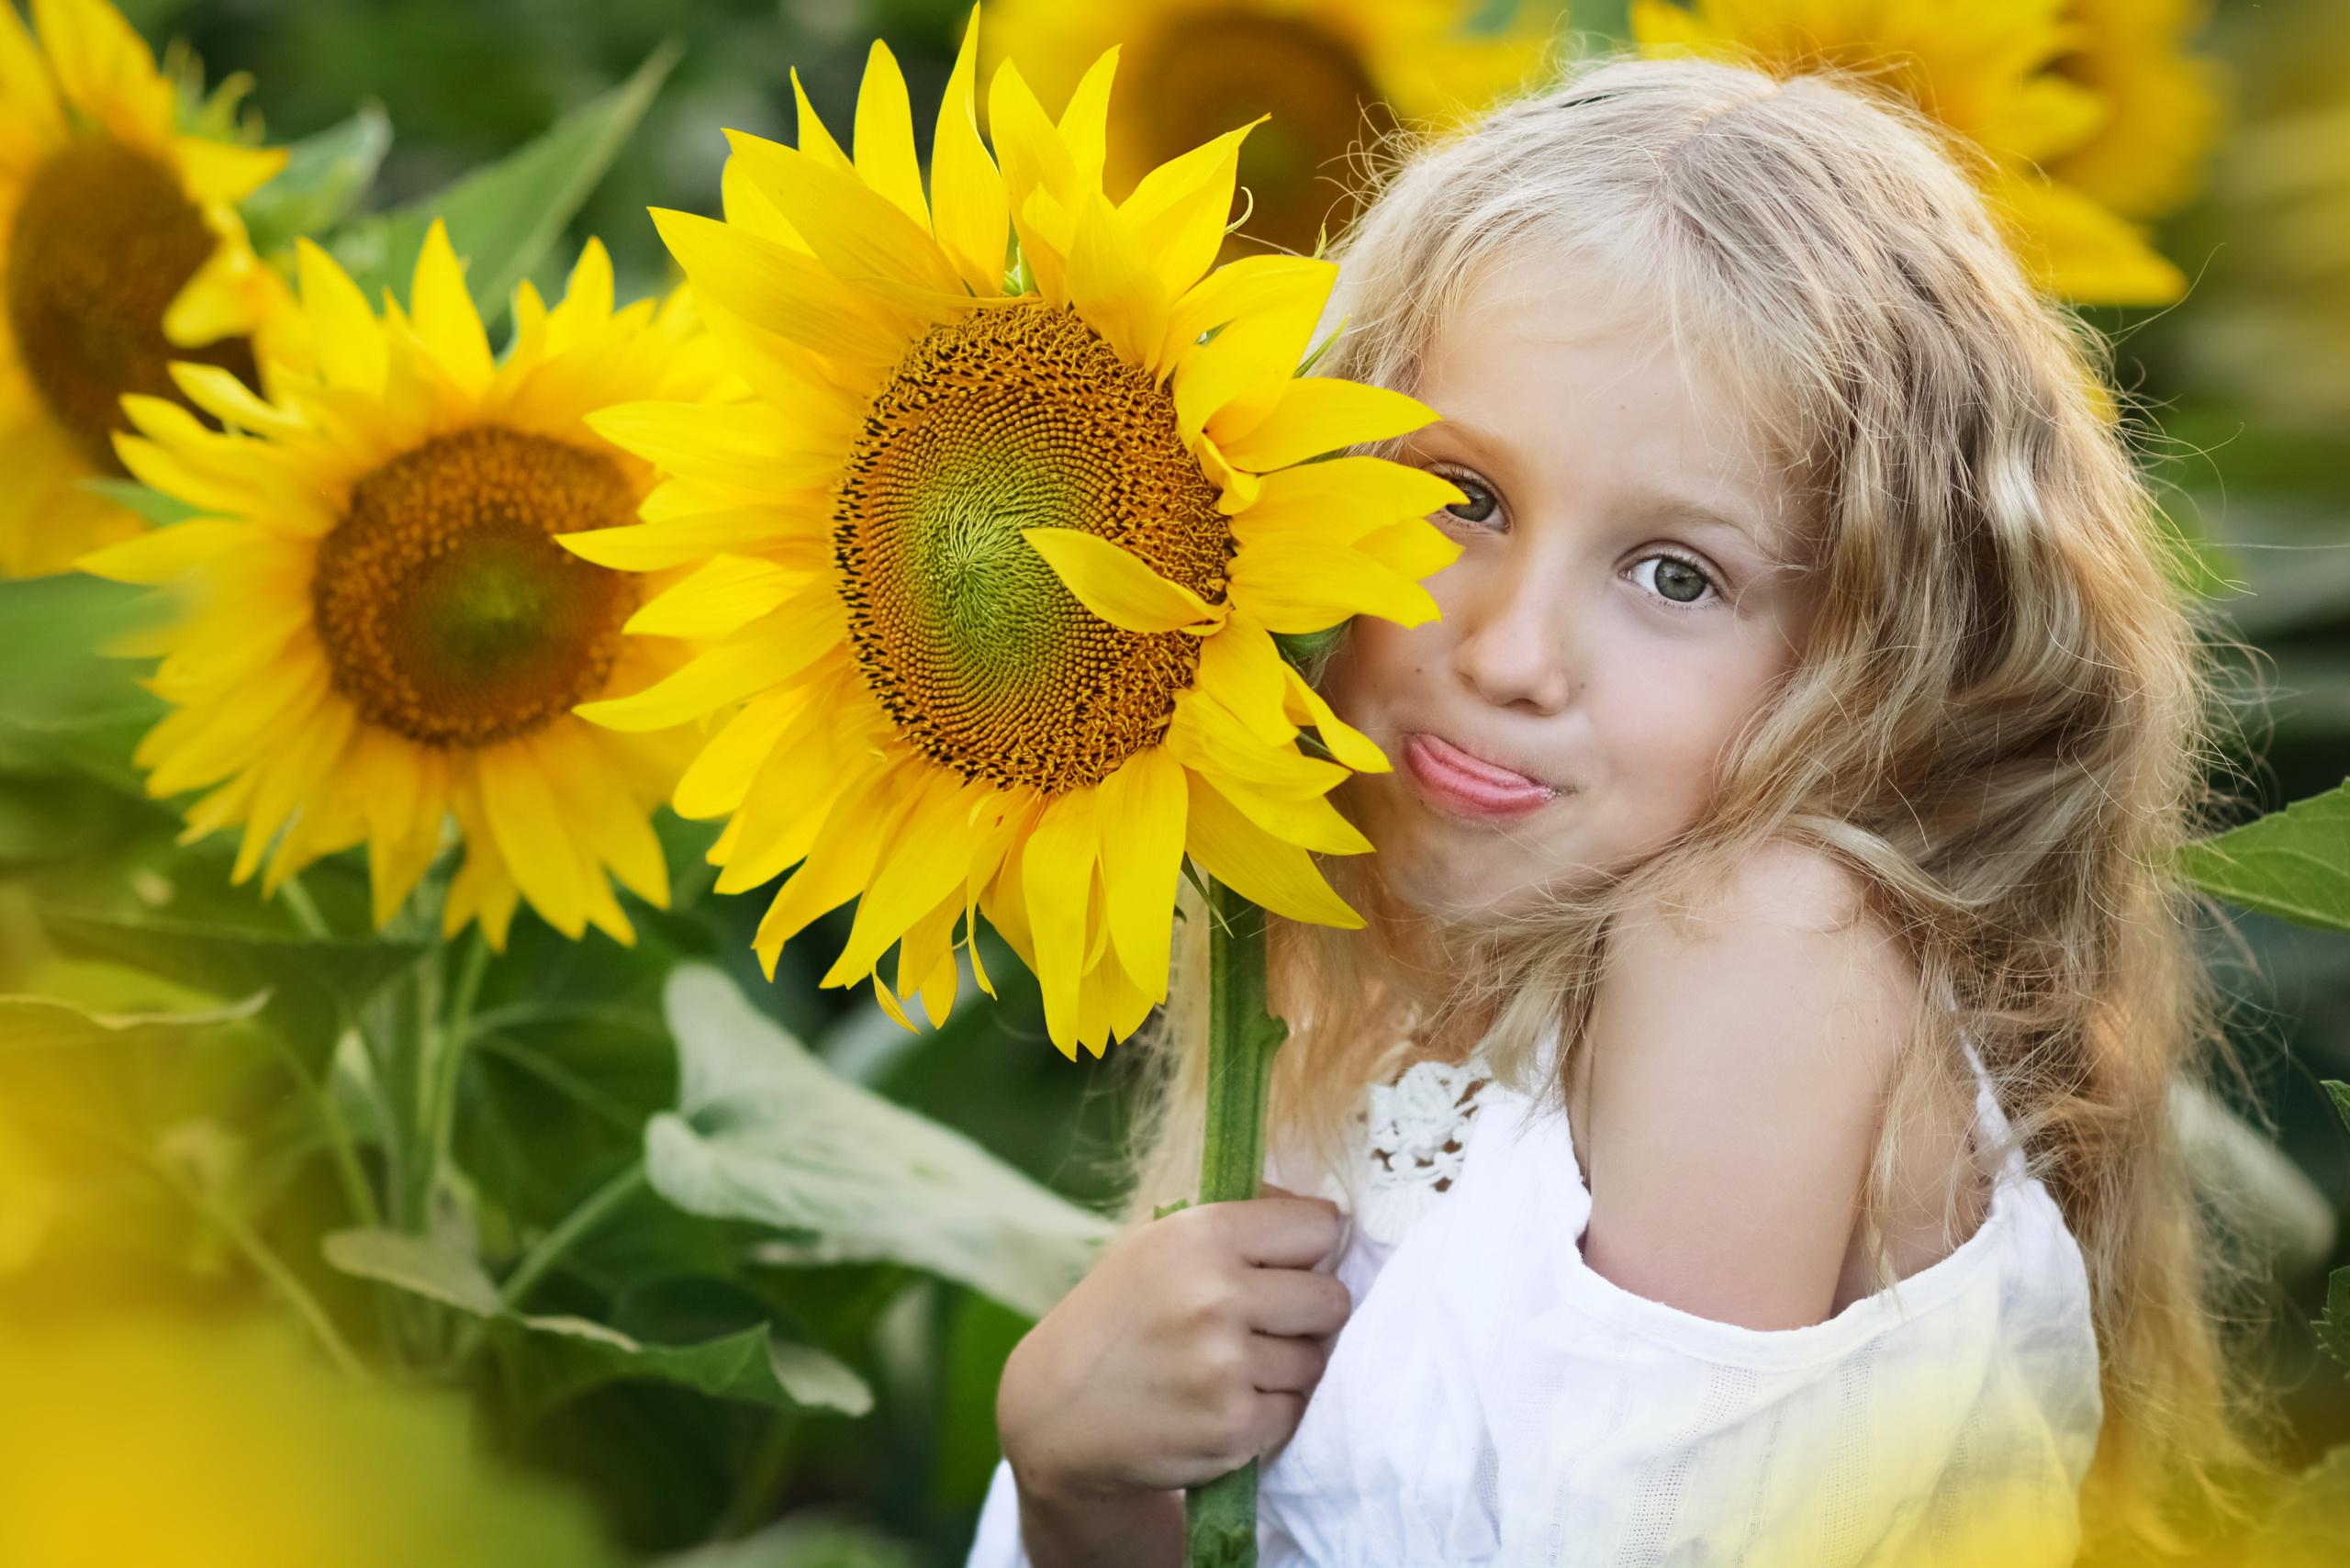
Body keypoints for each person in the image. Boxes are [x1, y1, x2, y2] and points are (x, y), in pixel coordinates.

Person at [968, 54, 2244, 1568]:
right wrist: (1077, 1480)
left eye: (1675, 575)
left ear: (1877, 662)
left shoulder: (1763, 943)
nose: (1509, 656)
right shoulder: (1361, 992)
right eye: (1462, 498)